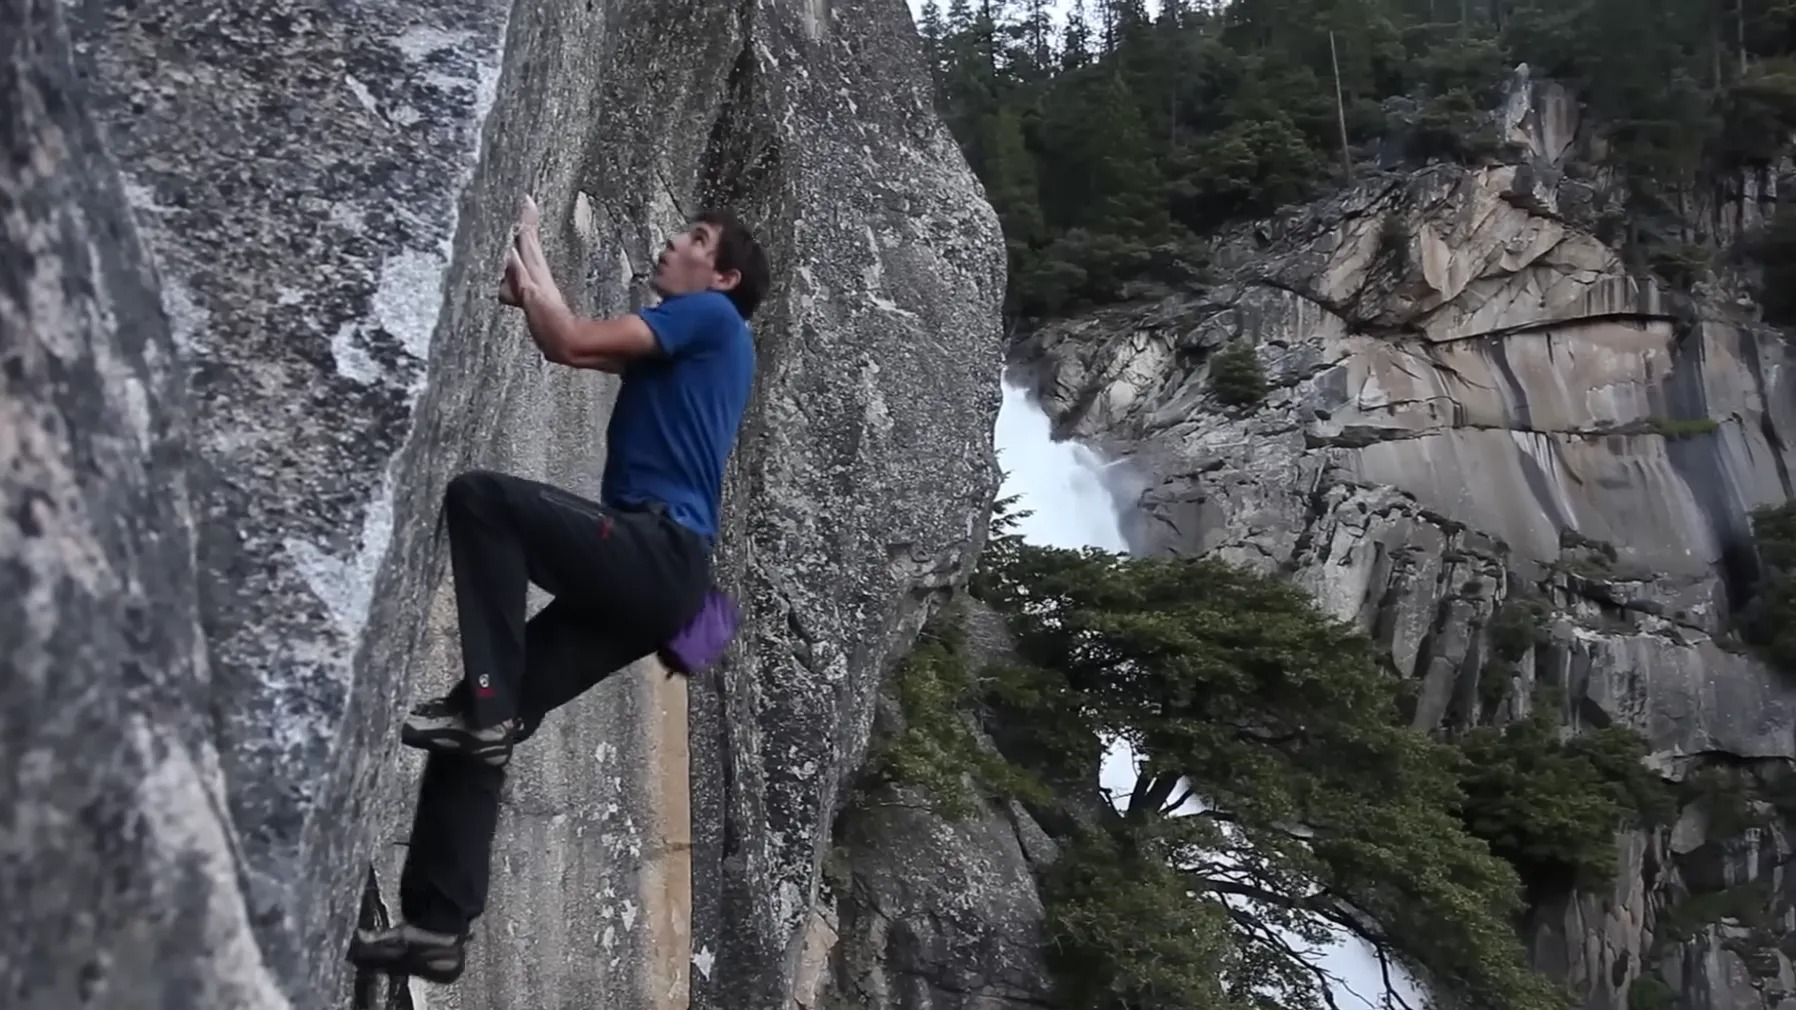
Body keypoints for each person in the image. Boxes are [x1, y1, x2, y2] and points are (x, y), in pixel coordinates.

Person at [347, 195, 769, 983]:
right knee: (478, 726)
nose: (674, 242)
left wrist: (532, 248)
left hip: (658, 553)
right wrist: (530, 253)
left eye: (696, 238)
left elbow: (566, 338)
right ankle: (436, 932)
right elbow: (563, 336)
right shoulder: (702, 345)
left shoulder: (711, 319)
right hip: (666, 591)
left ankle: (486, 701)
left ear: (723, 275)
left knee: (482, 501)